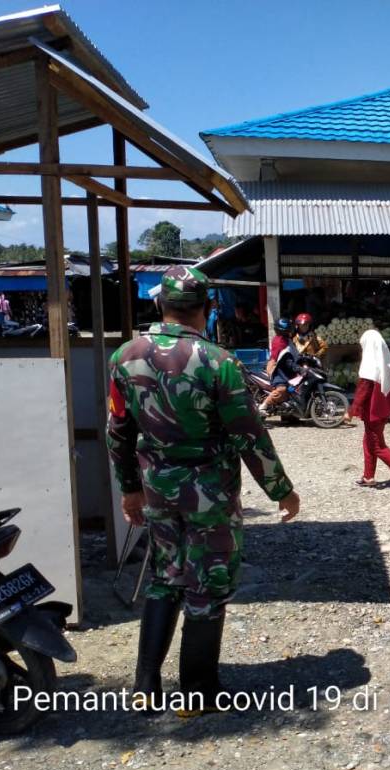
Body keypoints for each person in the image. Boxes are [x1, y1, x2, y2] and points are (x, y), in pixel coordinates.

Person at [106, 266, 301, 715]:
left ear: (160, 304)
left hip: (158, 489)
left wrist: (130, 489)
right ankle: (197, 692)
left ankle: (145, 685)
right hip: (209, 492)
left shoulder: (124, 357)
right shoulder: (219, 362)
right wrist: (281, 490)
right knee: (207, 583)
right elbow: (249, 434)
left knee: (164, 577)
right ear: (208, 308)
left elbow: (118, 431)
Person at [346, 330, 390, 490]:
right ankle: (368, 477)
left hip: (373, 412)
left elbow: (363, 391)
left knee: (377, 445)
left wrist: (350, 411)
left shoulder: (370, 366)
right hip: (384, 410)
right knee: (369, 441)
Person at [259, 317, 299, 416]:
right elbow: (281, 358)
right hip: (277, 368)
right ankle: (263, 406)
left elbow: (293, 354)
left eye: (288, 330)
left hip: (286, 368)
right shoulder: (279, 341)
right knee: (282, 389)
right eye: (286, 331)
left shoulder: (287, 340)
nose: (288, 332)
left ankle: (289, 415)